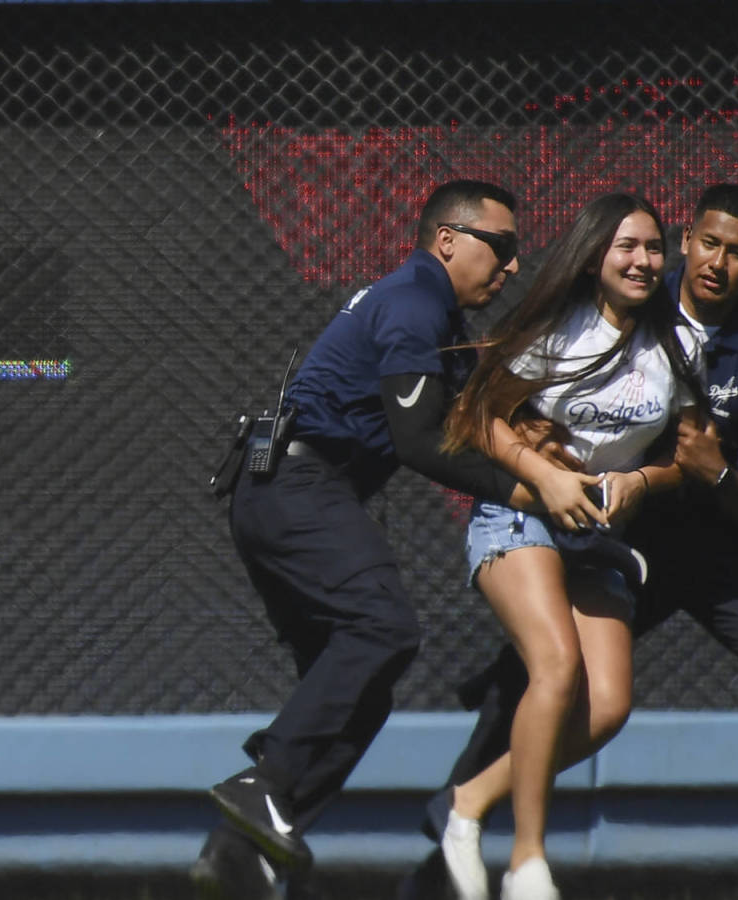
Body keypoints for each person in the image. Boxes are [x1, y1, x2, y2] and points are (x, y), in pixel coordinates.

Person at [401, 184, 738, 900]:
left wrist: (705, 473)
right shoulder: (614, 310)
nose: (714, 262)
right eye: (705, 244)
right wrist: (537, 444)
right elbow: (500, 400)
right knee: (537, 675)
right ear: (687, 242)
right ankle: (450, 841)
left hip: (720, 550)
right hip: (616, 534)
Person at [192, 181, 608, 900]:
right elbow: (419, 442)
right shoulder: (415, 300)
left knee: (363, 688)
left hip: (280, 495)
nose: (511, 266)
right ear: (447, 239)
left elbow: (485, 419)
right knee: (381, 628)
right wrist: (529, 490)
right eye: (501, 247)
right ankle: (267, 783)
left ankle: (242, 854)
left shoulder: (434, 315)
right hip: (297, 490)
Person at [429, 194, 706, 900]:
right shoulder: (558, 334)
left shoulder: (679, 344)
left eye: (652, 247)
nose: (643, 261)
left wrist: (644, 479)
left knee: (607, 706)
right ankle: (528, 861)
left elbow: (691, 457)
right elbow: (475, 417)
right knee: (555, 667)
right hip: (521, 518)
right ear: (593, 256)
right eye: (626, 247)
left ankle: (465, 805)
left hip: (597, 538)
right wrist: (543, 473)